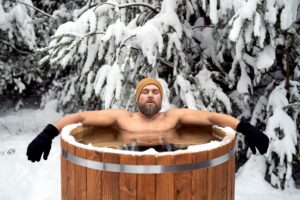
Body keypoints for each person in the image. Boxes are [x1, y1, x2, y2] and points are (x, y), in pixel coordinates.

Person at [26, 77, 269, 162]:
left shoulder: (174, 117)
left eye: (155, 91)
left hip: (175, 167)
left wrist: (247, 129)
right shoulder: (121, 118)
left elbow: (212, 117)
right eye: (145, 91)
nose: (150, 95)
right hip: (123, 169)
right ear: (138, 97)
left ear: (161, 98)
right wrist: (47, 134)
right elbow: (79, 117)